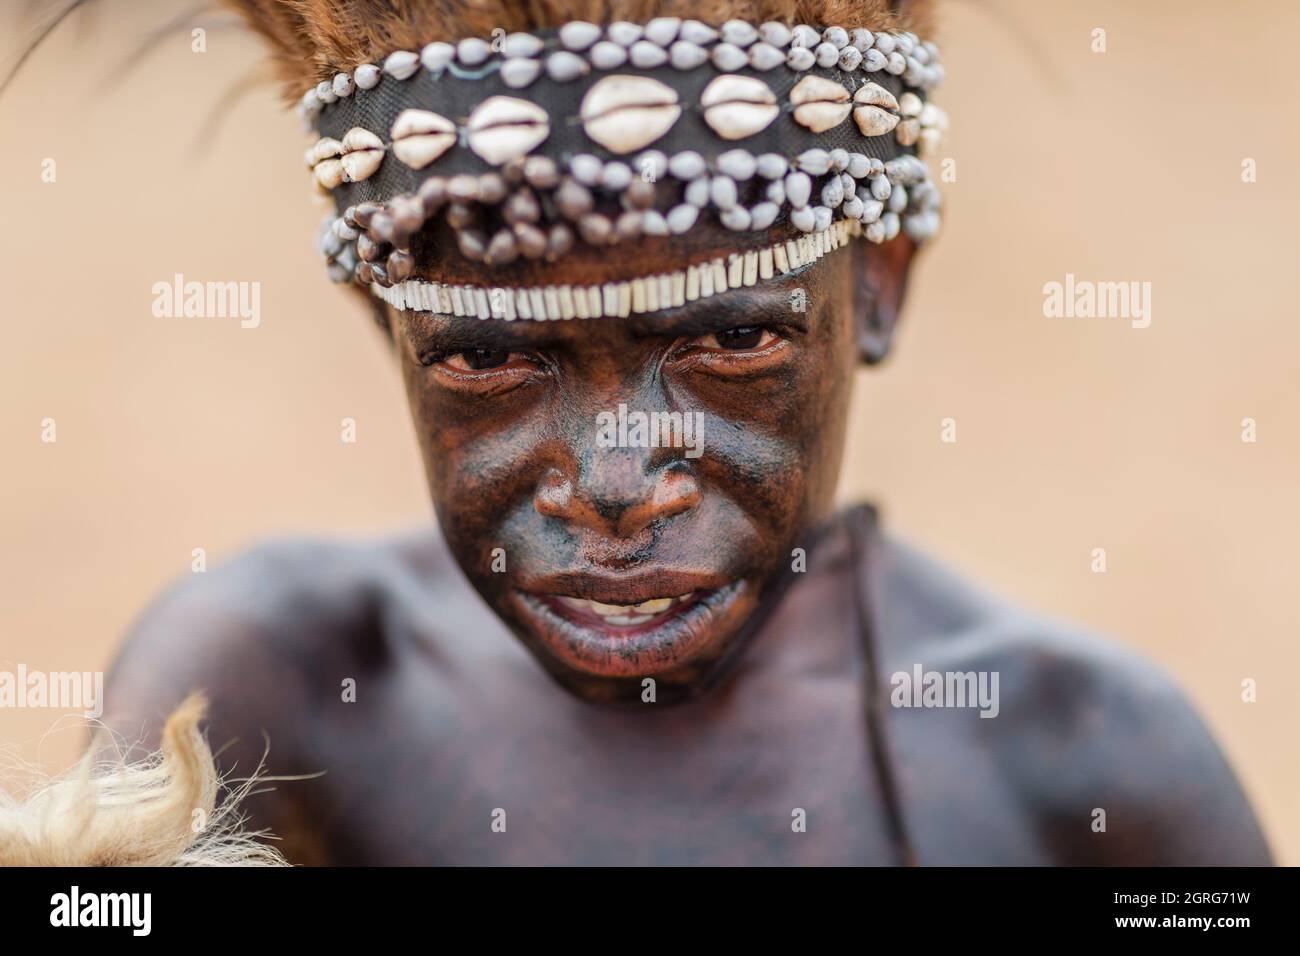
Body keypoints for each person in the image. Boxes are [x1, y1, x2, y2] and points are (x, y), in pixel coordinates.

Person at [98, 0, 1271, 865]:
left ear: (875, 286)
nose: (616, 486)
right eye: (492, 359)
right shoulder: (272, 695)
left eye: (733, 346)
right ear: (384, 325)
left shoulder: (1091, 760)